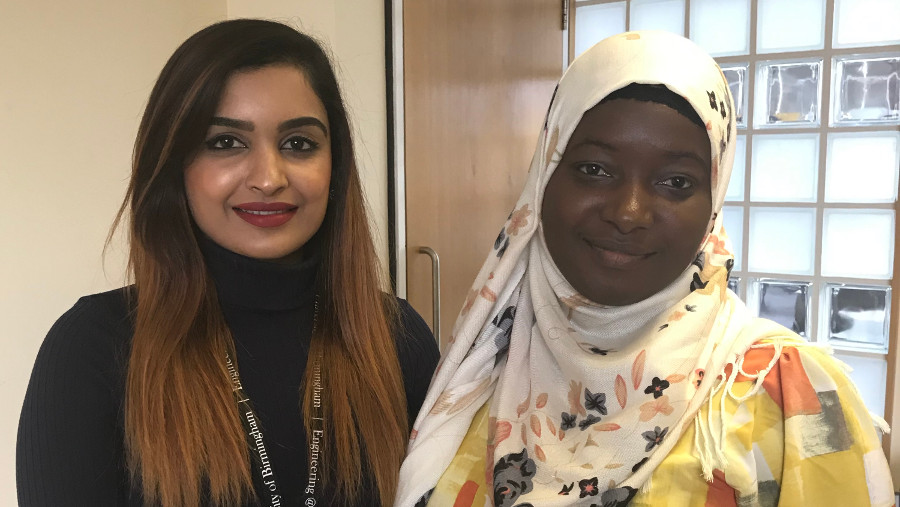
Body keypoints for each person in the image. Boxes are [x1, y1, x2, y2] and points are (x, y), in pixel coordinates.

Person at [396, 31, 893, 506]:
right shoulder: (479, 367)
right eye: (594, 169)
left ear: (713, 202)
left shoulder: (789, 396)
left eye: (676, 182)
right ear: (543, 177)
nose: (628, 213)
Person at [17, 19, 439, 507]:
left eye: (299, 144)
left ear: (335, 166)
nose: (269, 178)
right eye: (225, 142)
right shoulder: (92, 347)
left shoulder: (396, 338)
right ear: (174, 166)